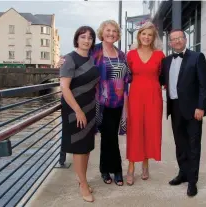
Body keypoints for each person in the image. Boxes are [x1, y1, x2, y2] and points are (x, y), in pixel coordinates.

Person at [159, 29, 206, 197]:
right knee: (180, 144)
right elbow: (159, 80)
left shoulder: (197, 57)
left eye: (180, 37)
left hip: (193, 109)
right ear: (170, 43)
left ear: (185, 39)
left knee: (193, 145)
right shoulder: (166, 61)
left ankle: (193, 181)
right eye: (173, 39)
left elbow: (204, 85)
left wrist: (201, 107)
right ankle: (183, 173)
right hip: (174, 108)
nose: (177, 41)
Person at [59, 26, 100, 202]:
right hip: (75, 108)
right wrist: (77, 110)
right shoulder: (69, 59)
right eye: (83, 37)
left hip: (90, 107)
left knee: (87, 146)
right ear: (77, 39)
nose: (86, 40)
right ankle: (83, 184)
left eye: (90, 38)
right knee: (78, 147)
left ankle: (81, 179)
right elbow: (64, 88)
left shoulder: (91, 58)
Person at [91, 20, 131, 186]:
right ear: (102, 32)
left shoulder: (121, 54)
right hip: (101, 102)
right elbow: (78, 60)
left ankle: (104, 169)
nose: (111, 33)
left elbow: (127, 78)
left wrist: (127, 105)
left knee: (109, 137)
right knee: (110, 137)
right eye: (108, 30)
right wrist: (63, 62)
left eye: (114, 31)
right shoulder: (95, 51)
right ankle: (117, 170)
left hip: (118, 102)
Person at [125, 22, 165, 185]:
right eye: (144, 34)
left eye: (150, 34)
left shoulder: (160, 55)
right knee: (134, 130)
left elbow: (164, 77)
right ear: (139, 35)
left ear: (153, 37)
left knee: (150, 129)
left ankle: (146, 164)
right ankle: (131, 167)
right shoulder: (131, 55)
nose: (146, 37)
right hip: (135, 96)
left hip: (154, 97)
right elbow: (125, 76)